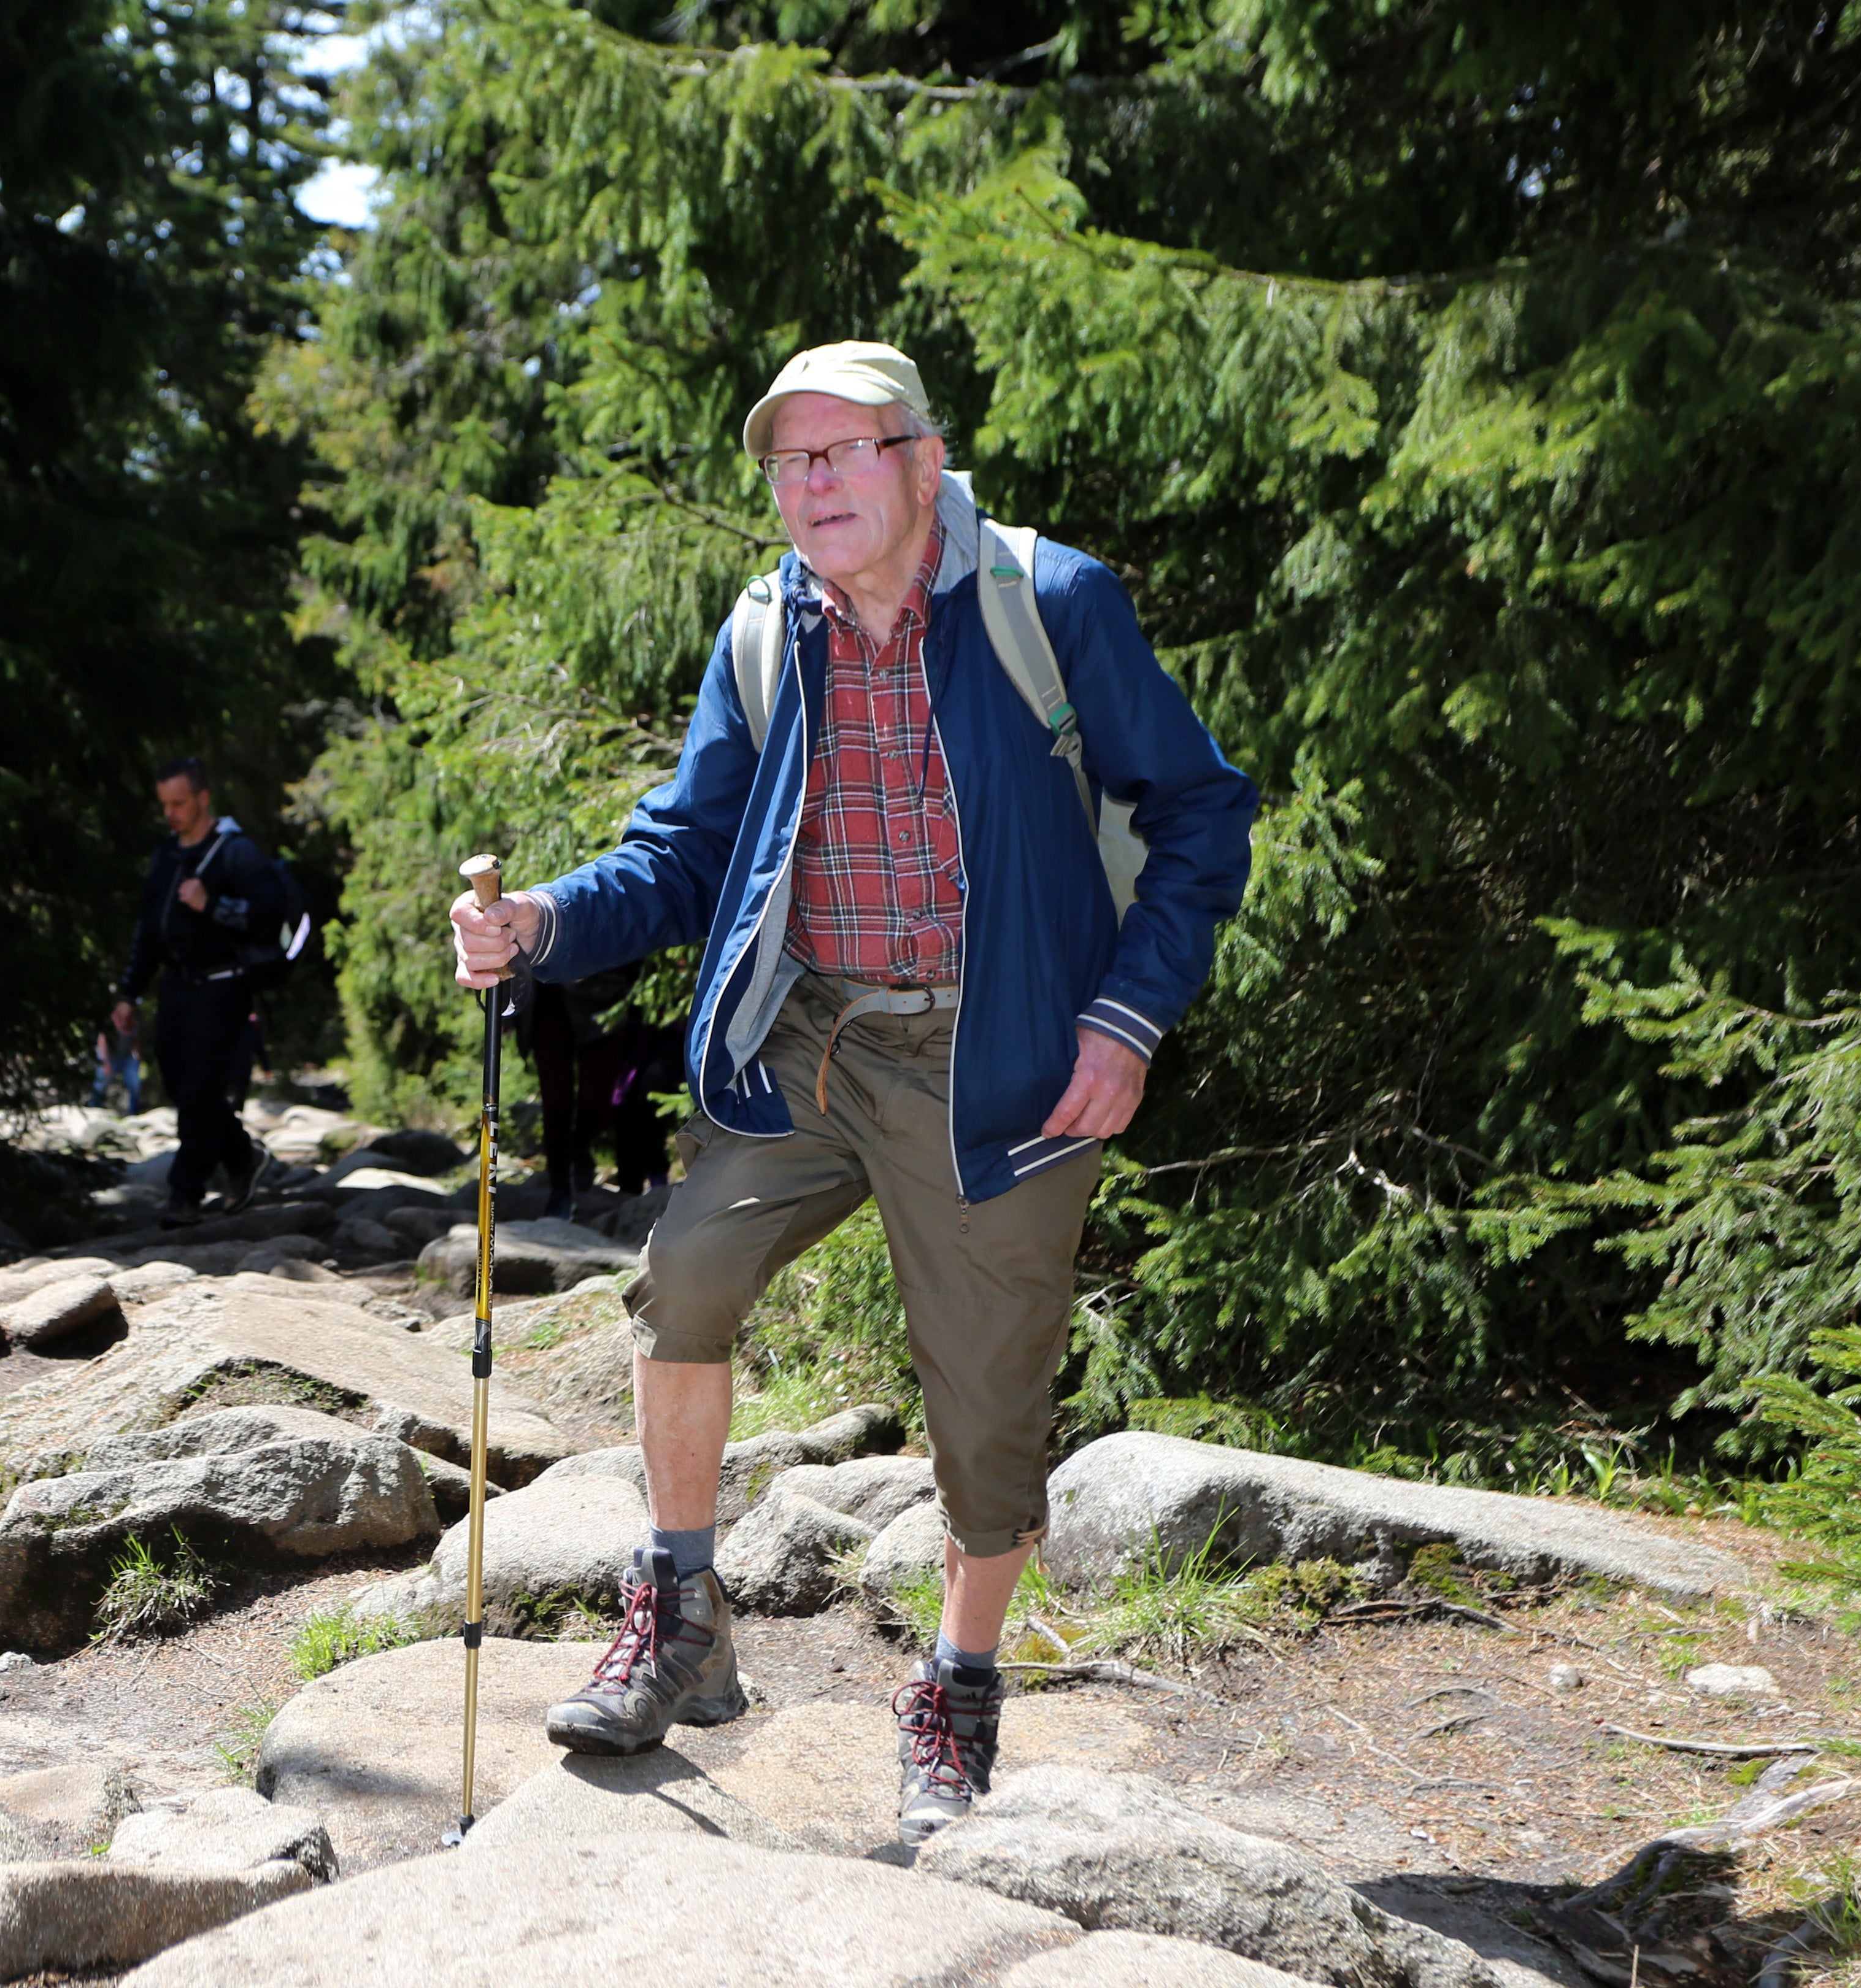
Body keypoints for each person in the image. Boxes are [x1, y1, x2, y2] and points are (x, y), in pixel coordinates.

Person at [445, 342, 1255, 1840]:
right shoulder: (767, 630)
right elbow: (681, 854)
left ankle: (954, 1685)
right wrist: (542, 922)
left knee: (987, 1408)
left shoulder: (1044, 603)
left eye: (838, 452)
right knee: (682, 1273)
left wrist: (1129, 1016)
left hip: (996, 1058)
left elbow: (1200, 807)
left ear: (918, 459)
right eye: (785, 462)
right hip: (802, 1036)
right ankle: (677, 1605)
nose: (808, 486)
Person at [114, 758, 298, 1225]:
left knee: (200, 1090)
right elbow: (149, 930)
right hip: (176, 987)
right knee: (181, 1085)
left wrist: (211, 905)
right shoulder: (168, 856)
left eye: (179, 803)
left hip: (224, 988)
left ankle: (184, 1195)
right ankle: (242, 1159)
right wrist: (129, 994)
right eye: (165, 805)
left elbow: (267, 915)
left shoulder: (236, 853)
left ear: (202, 799)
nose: (171, 813)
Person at [522, 961, 674, 1227]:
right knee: (556, 1104)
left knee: (597, 1102)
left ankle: (580, 1147)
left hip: (603, 995)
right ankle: (559, 1191)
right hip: (544, 999)